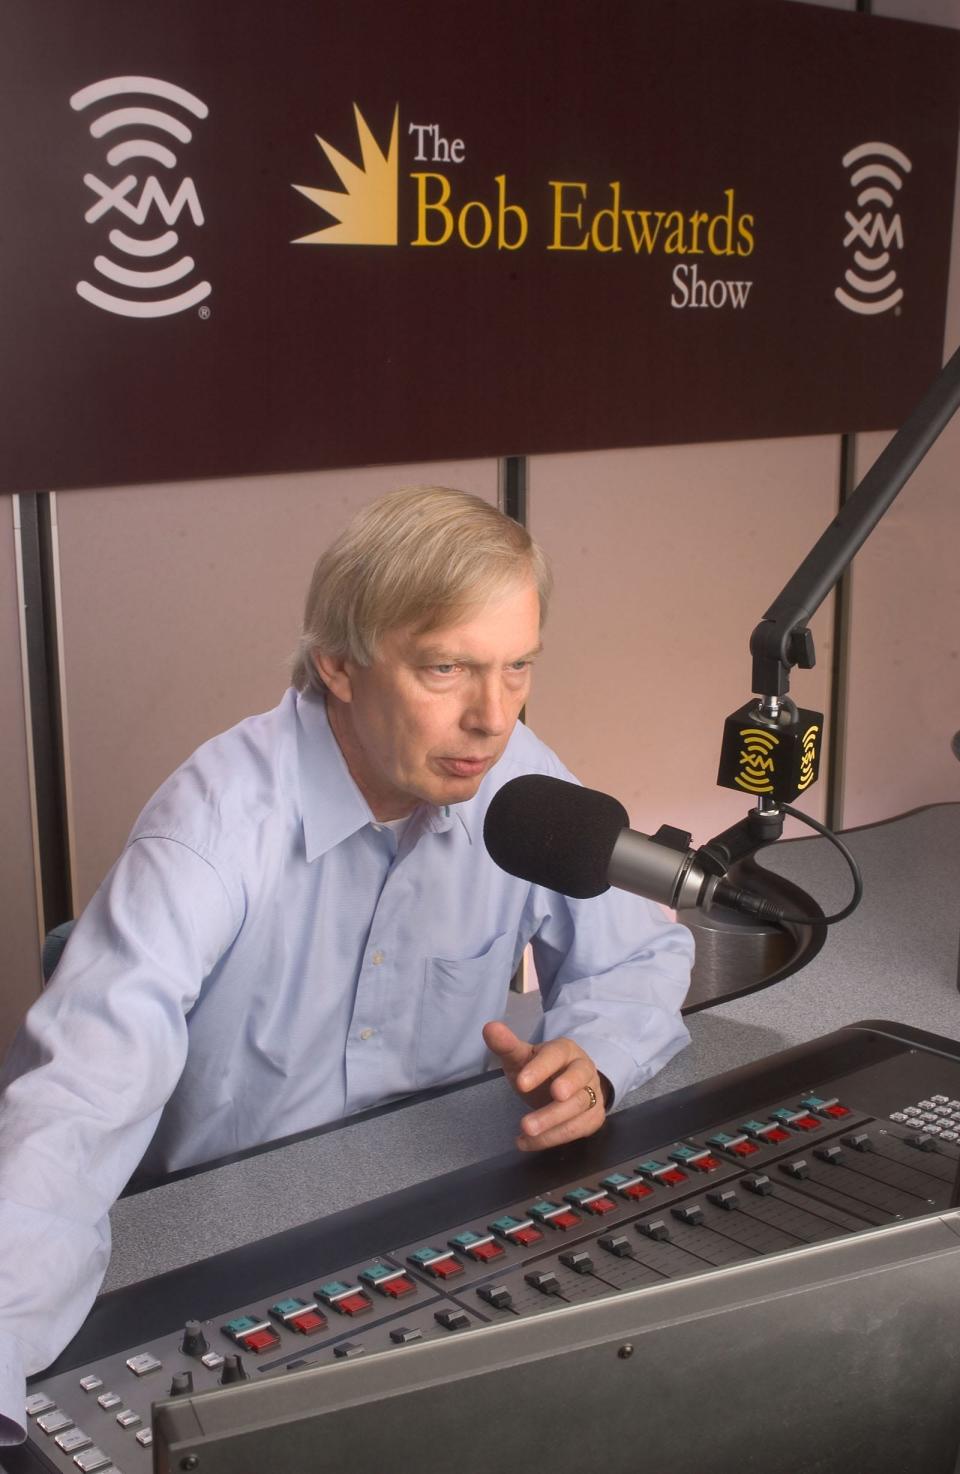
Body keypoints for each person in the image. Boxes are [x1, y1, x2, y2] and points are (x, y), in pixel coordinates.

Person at [0, 486, 692, 1442]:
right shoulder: (212, 827)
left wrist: (596, 1058)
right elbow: (79, 1099)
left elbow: (642, 951)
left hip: (438, 1211)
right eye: (447, 668)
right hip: (224, 1242)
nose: (492, 717)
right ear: (341, 664)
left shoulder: (518, 778)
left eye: (518, 667)